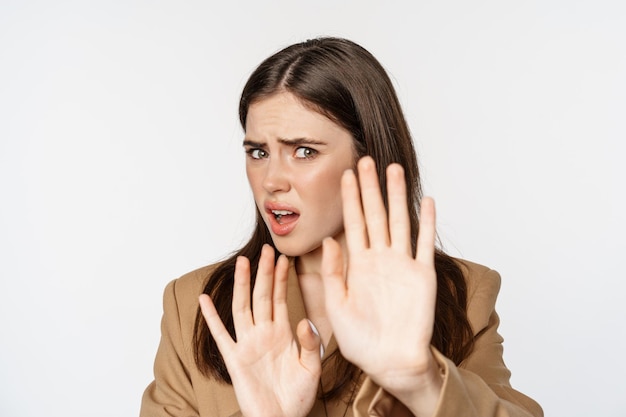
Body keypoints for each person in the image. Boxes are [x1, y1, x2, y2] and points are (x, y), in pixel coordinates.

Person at [140, 37, 543, 417]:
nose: (271, 180)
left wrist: (419, 379)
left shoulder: (462, 292)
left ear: (367, 156)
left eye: (303, 151)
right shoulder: (195, 303)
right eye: (258, 152)